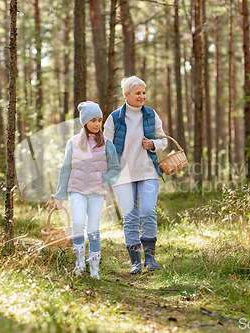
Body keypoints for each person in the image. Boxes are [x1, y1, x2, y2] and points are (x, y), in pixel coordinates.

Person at [104, 76, 168, 274]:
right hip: (122, 176)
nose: (142, 96)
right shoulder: (114, 118)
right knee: (130, 217)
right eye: (138, 93)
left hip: (148, 171)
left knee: (148, 212)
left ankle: (150, 259)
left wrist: (153, 145)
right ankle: (135, 263)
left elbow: (163, 141)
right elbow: (105, 147)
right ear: (126, 95)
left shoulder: (151, 115)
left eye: (144, 92)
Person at [55, 101, 121, 279]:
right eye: (93, 120)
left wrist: (105, 180)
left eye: (100, 120)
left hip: (97, 193)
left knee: (93, 229)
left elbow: (115, 168)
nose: (97, 124)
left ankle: (94, 269)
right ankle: (79, 264)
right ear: (84, 122)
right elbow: (65, 168)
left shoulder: (107, 144)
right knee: (77, 224)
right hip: (77, 191)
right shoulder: (73, 143)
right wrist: (60, 195)